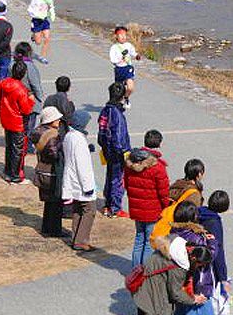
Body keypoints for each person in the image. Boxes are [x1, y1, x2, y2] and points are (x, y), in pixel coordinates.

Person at [133, 234, 209, 315]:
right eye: (199, 265)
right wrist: (193, 299)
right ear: (193, 257)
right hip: (155, 297)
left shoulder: (172, 243)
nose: (199, 268)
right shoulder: (178, 266)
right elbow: (175, 293)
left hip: (143, 289)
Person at [168, 201, 217, 315]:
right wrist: (212, 243)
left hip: (185, 285)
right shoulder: (195, 237)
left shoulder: (176, 232)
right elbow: (209, 256)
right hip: (197, 287)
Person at [124, 130, 171, 266]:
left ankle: (135, 270)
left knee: (139, 238)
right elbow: (163, 193)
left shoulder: (130, 162)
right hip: (152, 210)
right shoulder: (158, 167)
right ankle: (145, 272)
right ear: (159, 144)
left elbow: (126, 184)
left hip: (136, 208)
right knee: (149, 241)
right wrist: (165, 208)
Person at [62, 111, 98, 252]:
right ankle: (81, 241)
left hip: (72, 181)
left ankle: (75, 237)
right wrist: (88, 186)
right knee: (89, 210)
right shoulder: (79, 139)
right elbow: (83, 166)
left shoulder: (69, 136)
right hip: (81, 182)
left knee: (77, 210)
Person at [0, 61, 34, 184]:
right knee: (18, 149)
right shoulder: (21, 89)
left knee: (9, 147)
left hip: (6, 118)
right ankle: (16, 175)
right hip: (18, 122)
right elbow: (26, 109)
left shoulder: (3, 83)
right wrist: (31, 100)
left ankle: (8, 172)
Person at [98, 82, 131, 218]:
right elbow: (117, 135)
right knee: (117, 180)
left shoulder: (105, 110)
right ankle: (115, 208)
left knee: (110, 177)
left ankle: (108, 205)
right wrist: (123, 152)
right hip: (117, 152)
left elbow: (101, 131)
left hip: (107, 149)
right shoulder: (116, 113)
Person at [31, 106, 64, 237]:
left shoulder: (38, 132)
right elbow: (54, 154)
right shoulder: (52, 135)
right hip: (51, 172)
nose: (59, 121)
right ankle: (55, 230)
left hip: (41, 170)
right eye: (57, 119)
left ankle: (46, 227)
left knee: (48, 203)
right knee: (56, 202)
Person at [15, 41, 44, 153]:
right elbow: (35, 85)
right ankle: (26, 146)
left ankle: (19, 142)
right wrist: (40, 98)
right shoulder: (30, 67)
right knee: (29, 125)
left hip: (16, 99)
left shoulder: (13, 64)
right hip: (29, 100)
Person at [109, 26, 141, 108]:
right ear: (116, 36)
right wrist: (120, 58)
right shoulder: (114, 48)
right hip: (119, 69)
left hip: (128, 68)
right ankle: (117, 101)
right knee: (119, 88)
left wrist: (136, 56)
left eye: (125, 35)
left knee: (130, 87)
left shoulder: (128, 45)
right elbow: (113, 60)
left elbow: (133, 52)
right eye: (121, 35)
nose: (123, 37)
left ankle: (126, 98)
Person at [27, 0, 55, 64]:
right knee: (38, 42)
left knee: (47, 39)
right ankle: (34, 36)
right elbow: (29, 9)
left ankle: (43, 56)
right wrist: (35, 15)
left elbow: (51, 7)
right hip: (36, 21)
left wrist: (52, 14)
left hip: (45, 21)